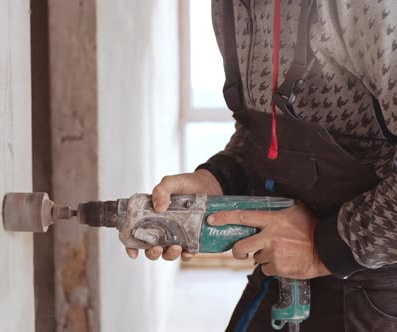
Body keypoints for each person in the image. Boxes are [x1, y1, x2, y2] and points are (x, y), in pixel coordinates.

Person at [126, 0, 397, 331]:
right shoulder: (230, 7)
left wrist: (325, 245)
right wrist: (219, 179)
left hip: (378, 289)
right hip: (287, 273)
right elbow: (265, 129)